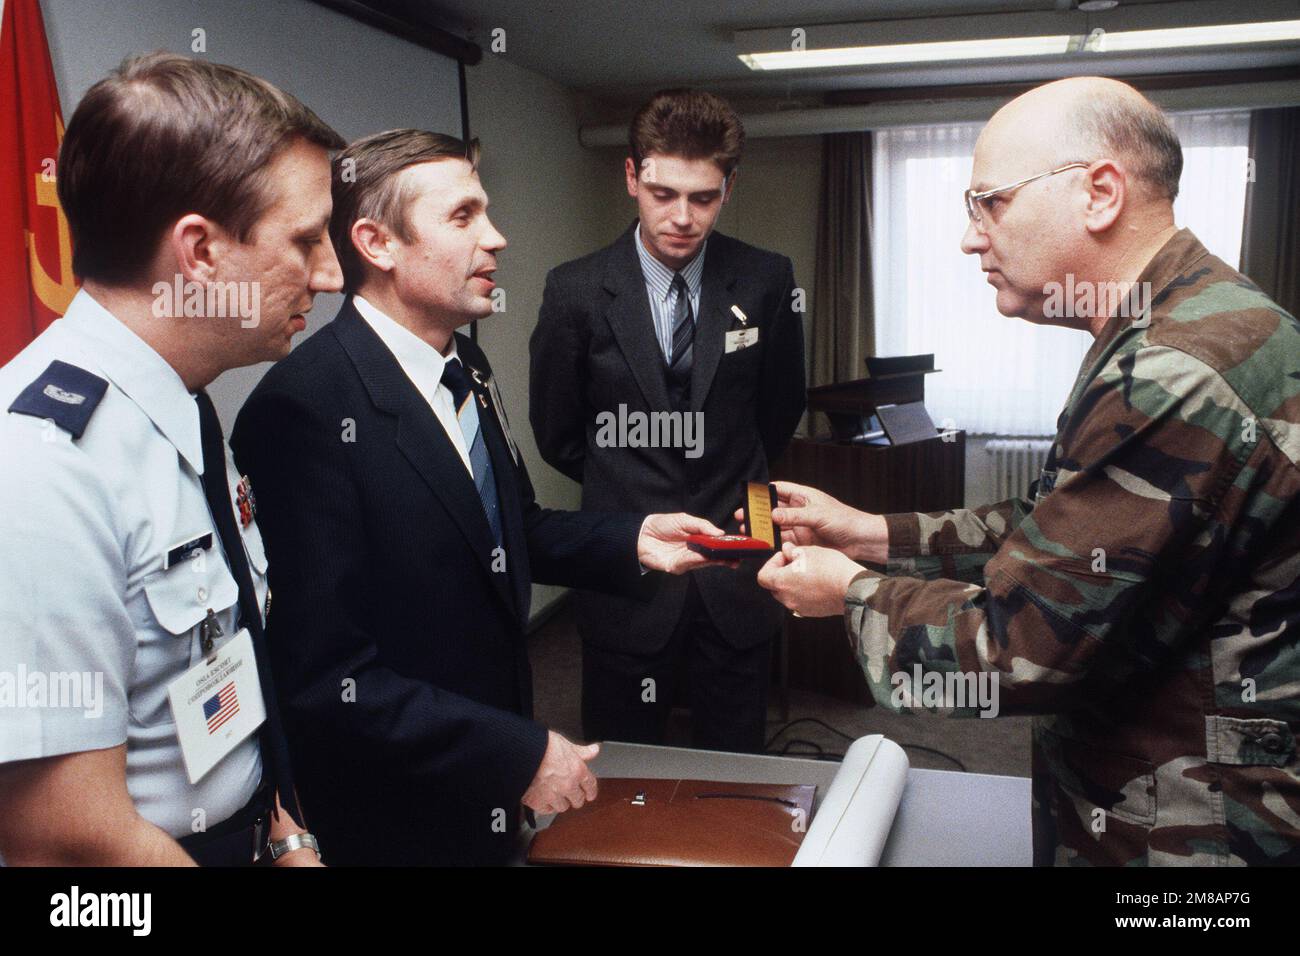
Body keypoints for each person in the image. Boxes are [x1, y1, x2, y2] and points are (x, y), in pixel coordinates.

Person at [756, 76, 1300, 866]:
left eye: (991, 202)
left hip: (1194, 829)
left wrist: (845, 591)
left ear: (1100, 192)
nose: (971, 238)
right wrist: (872, 531)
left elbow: (1018, 649)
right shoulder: (1182, 323)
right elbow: (1063, 530)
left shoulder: (1173, 370)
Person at [230, 128, 727, 866]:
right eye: (463, 218)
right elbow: (328, 680)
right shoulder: (304, 410)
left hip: (482, 790)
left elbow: (506, 528)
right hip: (392, 815)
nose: (495, 238)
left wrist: (630, 539)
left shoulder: (464, 360)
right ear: (377, 242)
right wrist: (515, 751)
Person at [0, 53, 344, 866]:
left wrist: (284, 834)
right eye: (305, 240)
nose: (329, 275)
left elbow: (219, 669)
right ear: (199, 253)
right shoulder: (43, 464)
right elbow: (66, 839)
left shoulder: (182, 406)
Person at [529, 89, 806, 753]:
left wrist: (733, 480)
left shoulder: (767, 279)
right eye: (662, 193)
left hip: (737, 562)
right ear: (632, 177)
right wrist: (628, 480)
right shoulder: (574, 290)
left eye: (703, 197)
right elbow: (559, 432)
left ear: (729, 188)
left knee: (736, 769)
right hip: (629, 570)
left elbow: (780, 412)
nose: (682, 217)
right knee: (625, 772)